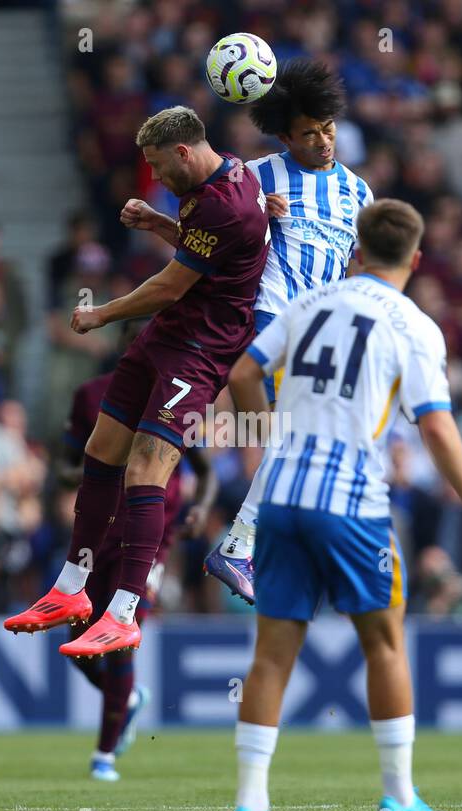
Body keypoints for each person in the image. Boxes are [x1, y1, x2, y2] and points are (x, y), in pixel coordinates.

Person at [221, 199, 462, 811]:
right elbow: (435, 425)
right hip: (351, 503)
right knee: (383, 642)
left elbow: (243, 370)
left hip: (282, 498)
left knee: (270, 655)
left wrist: (259, 440)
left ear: (356, 248)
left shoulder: (309, 303)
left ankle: (251, 806)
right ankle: (399, 798)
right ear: (416, 257)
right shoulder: (414, 326)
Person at [3, 106, 268, 656]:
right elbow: (205, 253)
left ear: (184, 153)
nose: (156, 178)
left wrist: (103, 314)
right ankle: (71, 589)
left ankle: (123, 611)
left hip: (201, 352)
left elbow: (172, 285)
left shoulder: (229, 202)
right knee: (102, 450)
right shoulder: (220, 179)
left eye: (157, 166)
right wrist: (158, 223)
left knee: (146, 469)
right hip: (167, 338)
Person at [199, 60, 374, 605]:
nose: (323, 141)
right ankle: (243, 545)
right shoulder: (256, 176)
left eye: (328, 129)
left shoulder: (358, 193)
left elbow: (356, 269)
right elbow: (204, 227)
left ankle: (246, 542)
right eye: (308, 134)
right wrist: (255, 217)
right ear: (284, 137)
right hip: (271, 318)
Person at [58, 319, 217, 782]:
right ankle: (125, 699)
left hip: (151, 542)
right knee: (74, 646)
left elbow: (205, 471)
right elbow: (65, 463)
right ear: (131, 346)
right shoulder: (91, 397)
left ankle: (104, 755)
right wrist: (88, 474)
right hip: (98, 538)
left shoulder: (179, 396)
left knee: (119, 637)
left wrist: (200, 508)